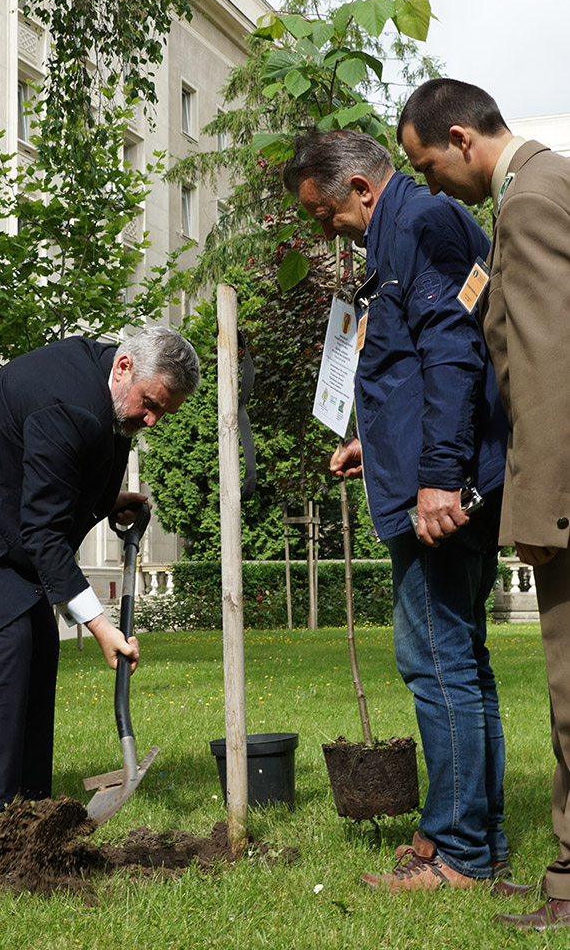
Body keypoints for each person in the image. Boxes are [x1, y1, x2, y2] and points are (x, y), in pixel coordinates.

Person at [283, 129, 510, 890]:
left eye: (324, 213)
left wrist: (438, 477)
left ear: (359, 189)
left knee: (437, 664)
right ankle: (477, 838)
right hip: (433, 475)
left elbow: (453, 352)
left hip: (439, 495)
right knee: (462, 664)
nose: (325, 230)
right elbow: (417, 361)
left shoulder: (414, 224)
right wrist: (372, 448)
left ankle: (456, 854)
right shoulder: (416, 227)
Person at [0, 326, 200, 813]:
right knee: (7, 641)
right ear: (124, 367)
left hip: (0, 519)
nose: (154, 419)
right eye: (152, 403)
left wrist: (105, 501)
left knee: (40, 643)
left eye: (165, 411)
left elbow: (60, 474)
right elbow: (44, 534)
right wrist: (101, 626)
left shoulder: (107, 388)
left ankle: (30, 811)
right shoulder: (71, 404)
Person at [399, 77, 570, 931]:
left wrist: (536, 514)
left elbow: (544, 374)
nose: (429, 187)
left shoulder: (532, 201)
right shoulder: (543, 188)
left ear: (462, 138)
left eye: (428, 166)